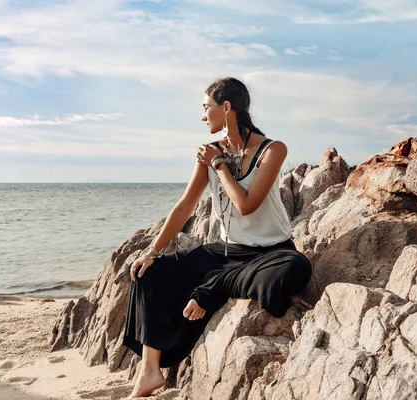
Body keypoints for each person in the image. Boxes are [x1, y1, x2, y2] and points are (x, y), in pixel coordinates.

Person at [122, 77, 312, 398]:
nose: (202, 115)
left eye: (206, 107)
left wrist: (220, 165)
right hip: (226, 252)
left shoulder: (272, 150)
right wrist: (152, 250)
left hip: (271, 252)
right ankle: (150, 372)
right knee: (148, 273)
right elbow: (185, 206)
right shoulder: (209, 155)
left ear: (226, 108)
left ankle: (217, 286)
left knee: (294, 268)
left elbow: (247, 205)